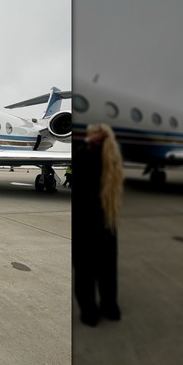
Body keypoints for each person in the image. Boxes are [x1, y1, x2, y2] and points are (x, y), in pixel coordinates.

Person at [72, 124, 124, 327]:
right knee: (107, 269)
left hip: (83, 222)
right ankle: (109, 307)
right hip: (106, 222)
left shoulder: (85, 156)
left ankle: (89, 311)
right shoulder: (112, 160)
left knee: (85, 271)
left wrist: (86, 142)